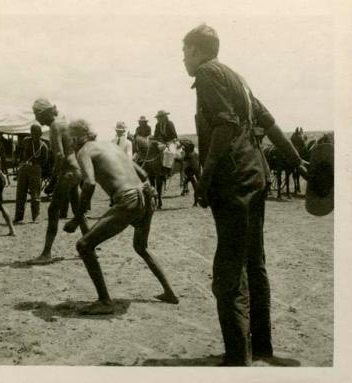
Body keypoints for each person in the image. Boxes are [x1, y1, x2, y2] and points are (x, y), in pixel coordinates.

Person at [182, 24, 308, 366]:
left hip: (232, 181)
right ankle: (262, 347)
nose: (183, 60)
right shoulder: (238, 78)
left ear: (196, 50)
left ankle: (238, 358)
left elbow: (223, 126)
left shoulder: (207, 73)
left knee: (228, 269)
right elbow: (268, 122)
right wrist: (297, 162)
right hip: (256, 175)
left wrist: (205, 180)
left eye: (184, 52)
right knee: (255, 263)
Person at [63, 119, 179, 315]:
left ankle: (104, 301)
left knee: (83, 245)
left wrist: (77, 217)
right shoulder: (111, 146)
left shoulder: (84, 151)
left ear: (76, 138)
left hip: (129, 200)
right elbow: (142, 173)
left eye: (70, 139)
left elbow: (89, 184)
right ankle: (170, 292)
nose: (70, 144)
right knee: (141, 247)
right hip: (145, 195)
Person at [27, 98, 90, 265]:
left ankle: (46, 254)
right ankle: (90, 246)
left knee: (53, 210)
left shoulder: (55, 126)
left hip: (68, 172)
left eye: (37, 114)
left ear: (45, 113)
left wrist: (52, 180)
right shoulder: (64, 123)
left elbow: (60, 155)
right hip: (77, 170)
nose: (36, 118)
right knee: (77, 211)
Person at [14, 124, 49, 224]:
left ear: (40, 134)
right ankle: (19, 217)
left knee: (35, 194)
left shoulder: (43, 146)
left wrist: (36, 166)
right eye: (33, 133)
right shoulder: (26, 141)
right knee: (21, 192)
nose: (35, 135)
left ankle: (36, 217)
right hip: (24, 168)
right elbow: (19, 152)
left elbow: (44, 160)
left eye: (37, 133)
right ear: (30, 133)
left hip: (36, 169)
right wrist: (20, 162)